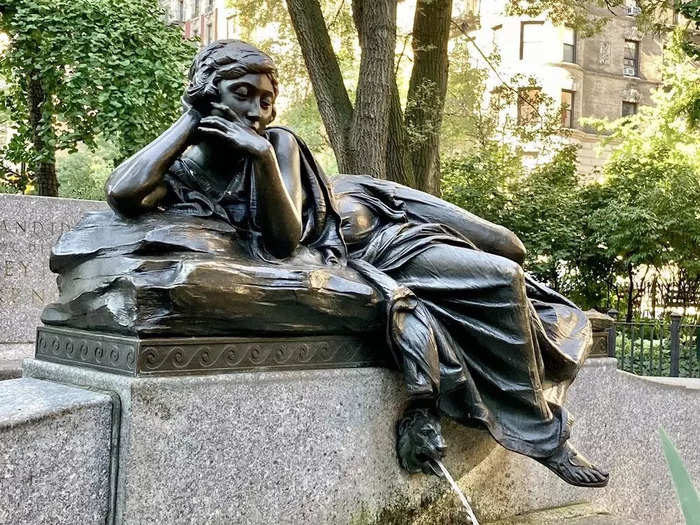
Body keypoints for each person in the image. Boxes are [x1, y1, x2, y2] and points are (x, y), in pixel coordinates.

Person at [104, 40, 608, 488]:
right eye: (242, 94)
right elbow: (124, 194)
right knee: (503, 276)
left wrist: (260, 152)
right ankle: (546, 437)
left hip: (378, 215)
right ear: (207, 93)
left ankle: (526, 329)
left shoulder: (279, 144)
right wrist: (192, 121)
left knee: (506, 246)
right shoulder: (190, 170)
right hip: (367, 253)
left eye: (267, 99)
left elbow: (287, 232)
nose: (259, 111)